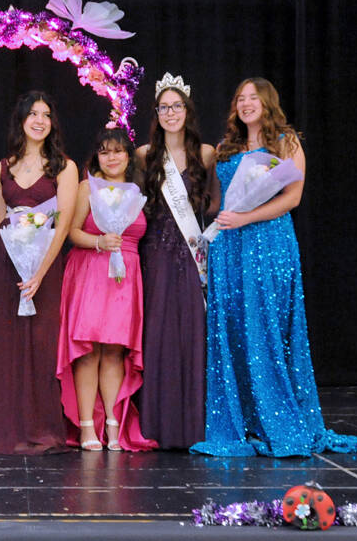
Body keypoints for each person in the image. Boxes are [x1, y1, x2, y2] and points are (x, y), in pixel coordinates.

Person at [190, 77, 357, 456]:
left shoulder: (287, 142)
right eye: (240, 98)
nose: (246, 104)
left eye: (253, 98)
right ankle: (243, 420)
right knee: (233, 328)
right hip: (230, 248)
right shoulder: (225, 149)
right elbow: (215, 203)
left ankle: (277, 417)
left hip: (269, 242)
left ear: (267, 103)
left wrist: (246, 218)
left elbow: (292, 198)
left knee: (266, 326)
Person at [0, 91, 77, 455]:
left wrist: (40, 271)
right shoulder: (2, 167)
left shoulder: (64, 166)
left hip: (46, 265)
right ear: (21, 119)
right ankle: (5, 430)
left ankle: (42, 430)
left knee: (41, 344)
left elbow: (65, 221)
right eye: (33, 113)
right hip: (7, 262)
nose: (39, 120)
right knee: (5, 345)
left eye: (46, 114)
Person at [56, 127, 158, 452]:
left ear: (129, 155)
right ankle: (87, 424)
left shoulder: (138, 189)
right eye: (104, 151)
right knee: (89, 351)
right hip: (90, 270)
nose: (111, 157)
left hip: (126, 277)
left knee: (115, 351)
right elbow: (71, 231)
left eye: (117, 150)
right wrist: (99, 241)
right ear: (97, 156)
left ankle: (113, 424)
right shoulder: (88, 186)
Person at [136, 73, 219, 449]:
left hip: (192, 254)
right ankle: (158, 424)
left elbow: (215, 204)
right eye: (164, 107)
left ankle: (193, 426)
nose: (171, 113)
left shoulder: (206, 153)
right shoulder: (143, 155)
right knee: (158, 333)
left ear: (187, 111)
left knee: (192, 332)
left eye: (177, 106)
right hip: (154, 254)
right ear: (156, 113)